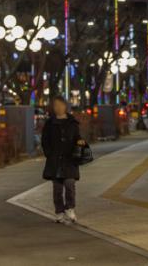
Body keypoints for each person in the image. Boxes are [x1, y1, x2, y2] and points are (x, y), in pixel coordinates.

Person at [41, 95, 86, 223]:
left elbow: (77, 137)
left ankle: (70, 208)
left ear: (65, 106)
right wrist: (49, 154)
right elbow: (45, 141)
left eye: (60, 105)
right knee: (57, 188)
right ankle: (59, 211)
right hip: (55, 160)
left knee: (70, 184)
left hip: (69, 159)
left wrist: (80, 142)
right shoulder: (49, 124)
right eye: (55, 105)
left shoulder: (72, 122)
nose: (58, 107)